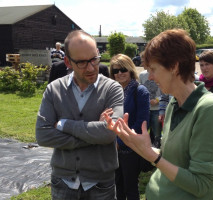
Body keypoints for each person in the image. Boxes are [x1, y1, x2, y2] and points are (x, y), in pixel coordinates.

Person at [105, 29, 213, 200]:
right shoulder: (174, 102)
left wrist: (152, 156)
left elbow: (202, 185)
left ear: (174, 66)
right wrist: (137, 144)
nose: (150, 77)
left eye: (154, 69)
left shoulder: (208, 109)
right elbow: (172, 160)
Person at [36, 30, 124, 200]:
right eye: (82, 63)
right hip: (63, 182)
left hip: (101, 184)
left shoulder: (112, 89)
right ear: (68, 62)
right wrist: (94, 135)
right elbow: (43, 135)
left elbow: (109, 133)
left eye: (94, 59)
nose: (91, 68)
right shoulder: (54, 89)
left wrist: (64, 125)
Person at [109, 54, 150, 200]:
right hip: (111, 147)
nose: (119, 73)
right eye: (115, 71)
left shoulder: (140, 91)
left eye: (123, 69)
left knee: (130, 188)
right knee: (116, 186)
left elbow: (142, 124)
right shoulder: (111, 92)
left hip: (130, 149)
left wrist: (120, 142)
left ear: (130, 69)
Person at [139, 51, 162, 147]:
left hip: (157, 109)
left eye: (144, 61)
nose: (142, 63)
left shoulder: (160, 73)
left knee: (157, 133)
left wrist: (156, 100)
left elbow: (166, 94)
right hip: (146, 109)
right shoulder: (142, 75)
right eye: (142, 60)